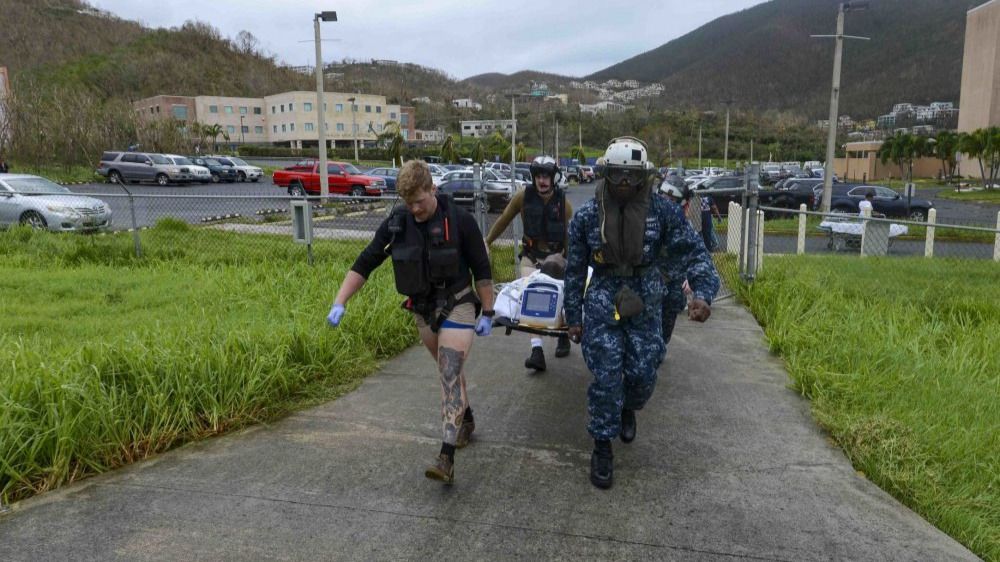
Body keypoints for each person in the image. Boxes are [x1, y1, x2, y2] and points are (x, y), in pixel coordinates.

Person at [564, 137, 720, 489]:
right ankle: (602, 447)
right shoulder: (588, 218)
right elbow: (574, 271)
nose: (622, 183)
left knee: (643, 372)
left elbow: (693, 251)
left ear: (641, 177)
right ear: (607, 173)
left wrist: (704, 294)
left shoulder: (661, 212)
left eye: (630, 176)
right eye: (616, 174)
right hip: (603, 299)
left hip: (646, 299)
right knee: (606, 375)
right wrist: (573, 316)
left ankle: (628, 406)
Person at [327, 160, 495, 485]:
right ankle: (467, 419)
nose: (415, 208)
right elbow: (366, 261)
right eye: (409, 202)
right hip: (422, 310)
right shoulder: (397, 223)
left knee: (448, 373)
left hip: (458, 303)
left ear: (433, 189)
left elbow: (482, 270)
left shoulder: (460, 221)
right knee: (452, 374)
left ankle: (446, 456)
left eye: (420, 200)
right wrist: (340, 301)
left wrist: (487, 311)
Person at [485, 155, 574, 372]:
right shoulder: (522, 197)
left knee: (563, 299)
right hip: (531, 257)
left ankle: (564, 335)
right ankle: (537, 351)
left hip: (557, 259)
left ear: (554, 178)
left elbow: (569, 237)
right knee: (532, 298)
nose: (542, 181)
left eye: (546, 176)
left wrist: (570, 264)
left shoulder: (564, 204)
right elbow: (504, 218)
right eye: (538, 176)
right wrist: (487, 242)